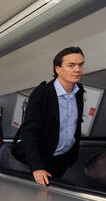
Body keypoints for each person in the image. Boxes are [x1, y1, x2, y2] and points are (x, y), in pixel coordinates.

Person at [12, 46, 85, 187]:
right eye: (71, 65)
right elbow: (28, 132)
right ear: (58, 69)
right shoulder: (42, 94)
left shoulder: (79, 91)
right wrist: (37, 166)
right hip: (39, 162)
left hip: (61, 159)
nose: (78, 69)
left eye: (80, 64)